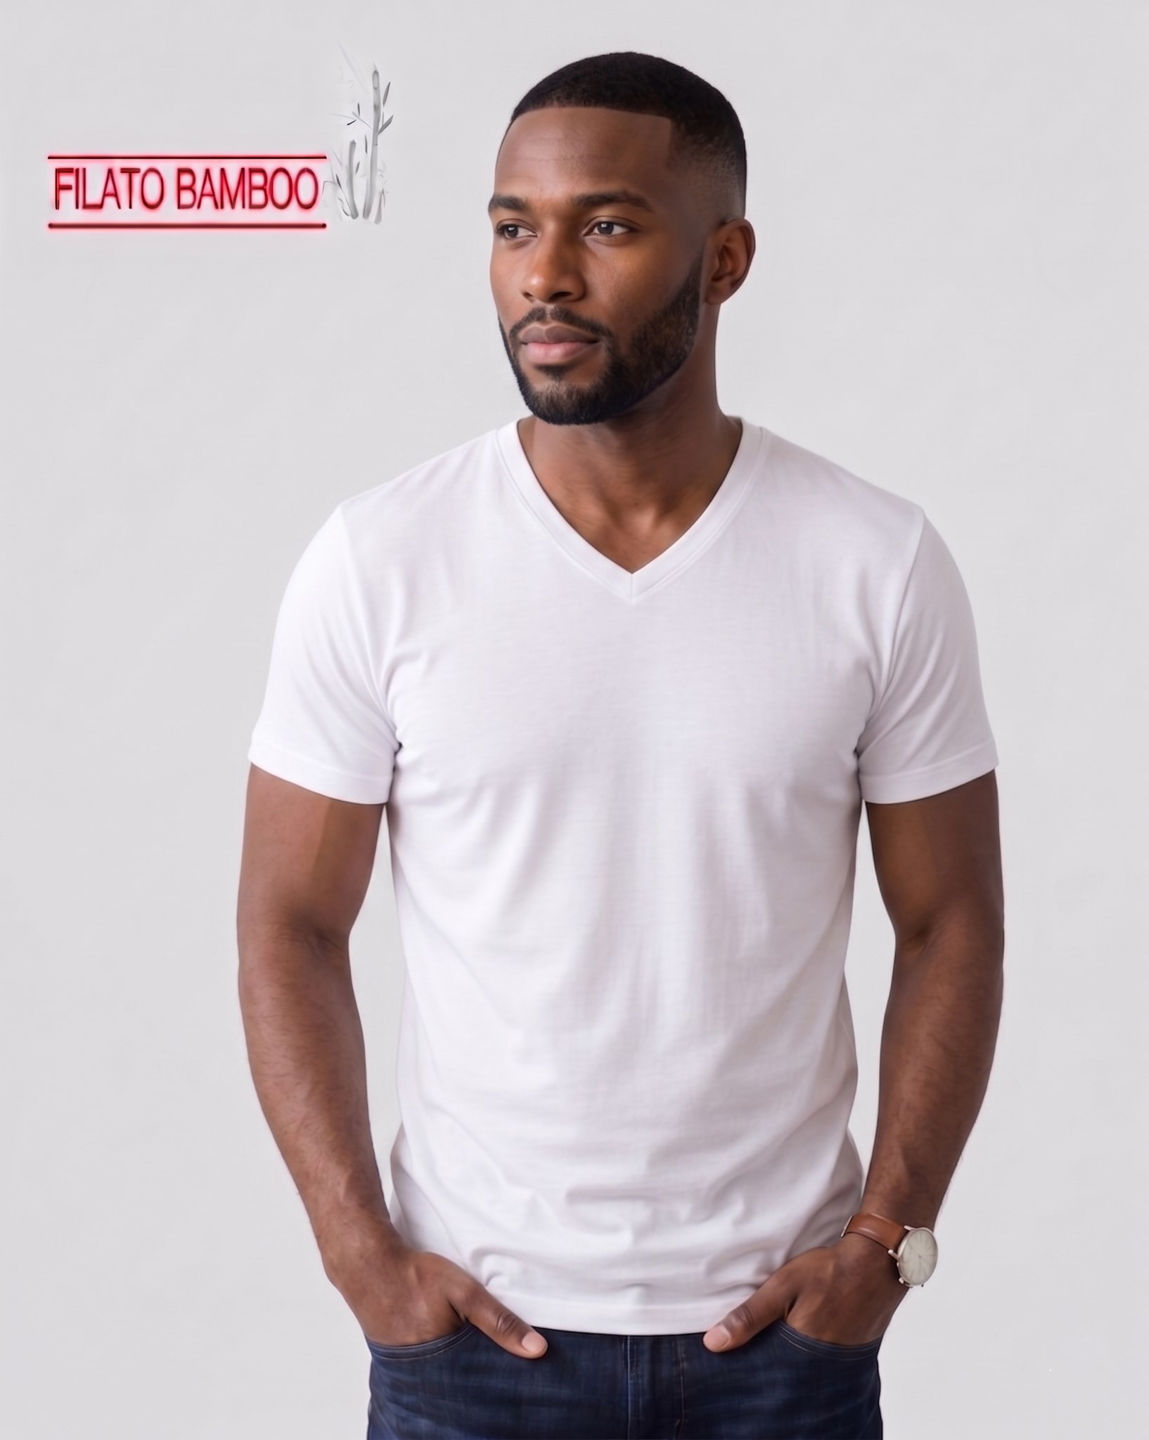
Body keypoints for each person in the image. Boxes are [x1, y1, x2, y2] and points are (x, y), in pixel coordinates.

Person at [237, 50, 1004, 1440]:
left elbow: (951, 920)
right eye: (510, 227)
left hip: (782, 1348)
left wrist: (885, 1245)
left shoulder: (873, 562)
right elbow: (289, 919)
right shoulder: (381, 560)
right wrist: (359, 1253)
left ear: (725, 260)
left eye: (605, 225)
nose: (543, 275)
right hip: (473, 1347)